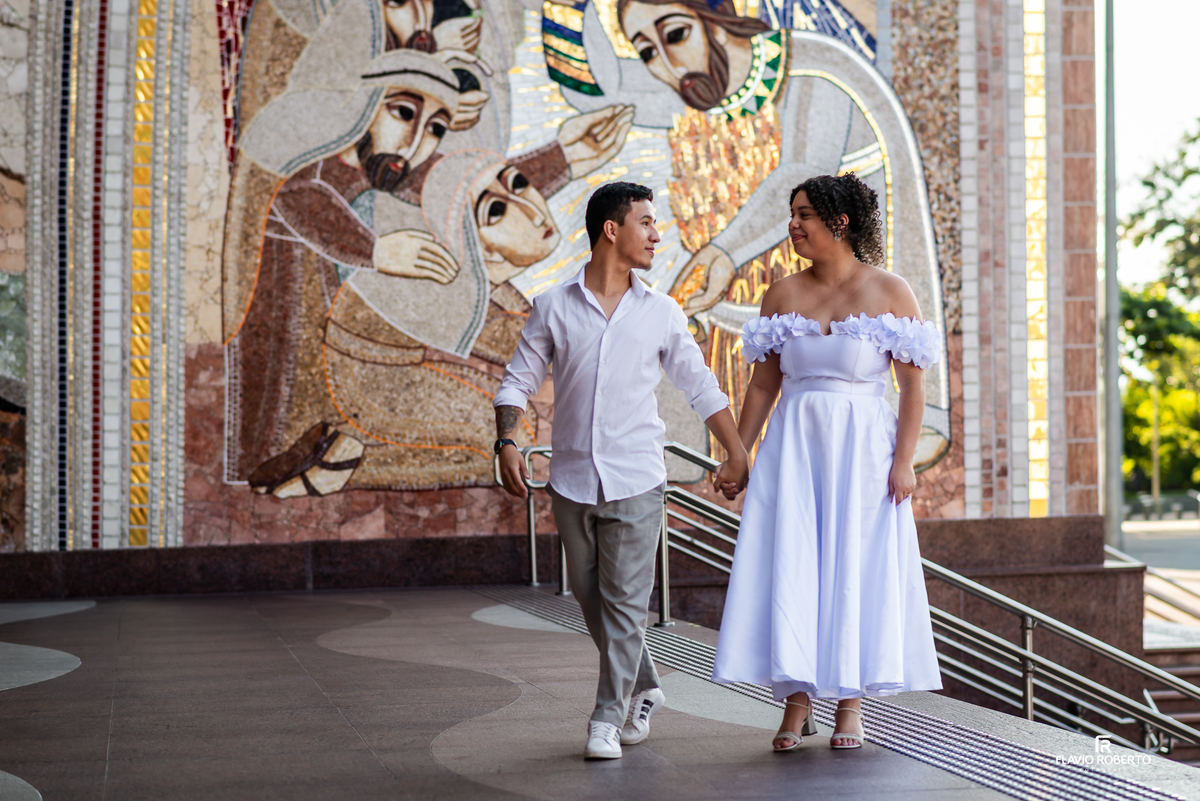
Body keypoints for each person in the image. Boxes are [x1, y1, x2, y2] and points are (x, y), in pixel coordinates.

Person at [494, 182, 749, 760]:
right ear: (612, 230)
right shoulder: (553, 306)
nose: (657, 235)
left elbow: (701, 386)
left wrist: (735, 451)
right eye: (647, 223)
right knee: (594, 602)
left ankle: (605, 718)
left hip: (637, 480)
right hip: (571, 481)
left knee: (627, 605)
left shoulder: (662, 312)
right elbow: (517, 380)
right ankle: (647, 685)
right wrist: (507, 439)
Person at [711, 173, 942, 751]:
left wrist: (905, 462)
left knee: (852, 567)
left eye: (804, 214)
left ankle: (850, 705)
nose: (793, 225)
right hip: (793, 450)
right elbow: (763, 386)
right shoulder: (781, 294)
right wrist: (739, 454)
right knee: (794, 564)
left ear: (840, 222)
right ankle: (795, 703)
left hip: (864, 455)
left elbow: (912, 389)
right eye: (793, 214)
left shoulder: (891, 291)